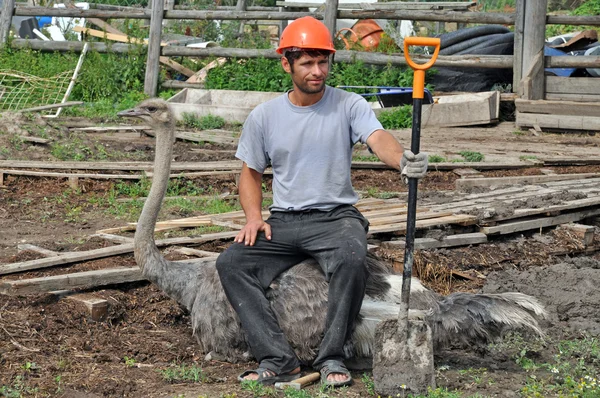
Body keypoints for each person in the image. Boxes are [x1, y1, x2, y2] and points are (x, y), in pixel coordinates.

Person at [215, 16, 428, 388]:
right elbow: (250, 172)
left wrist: (402, 161)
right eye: (307, 63)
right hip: (283, 221)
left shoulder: (349, 105)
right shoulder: (264, 117)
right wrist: (253, 217)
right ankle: (277, 359)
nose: (317, 71)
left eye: (323, 62)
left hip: (336, 218)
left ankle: (331, 355)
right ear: (286, 64)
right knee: (232, 263)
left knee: (351, 257)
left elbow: (377, 137)